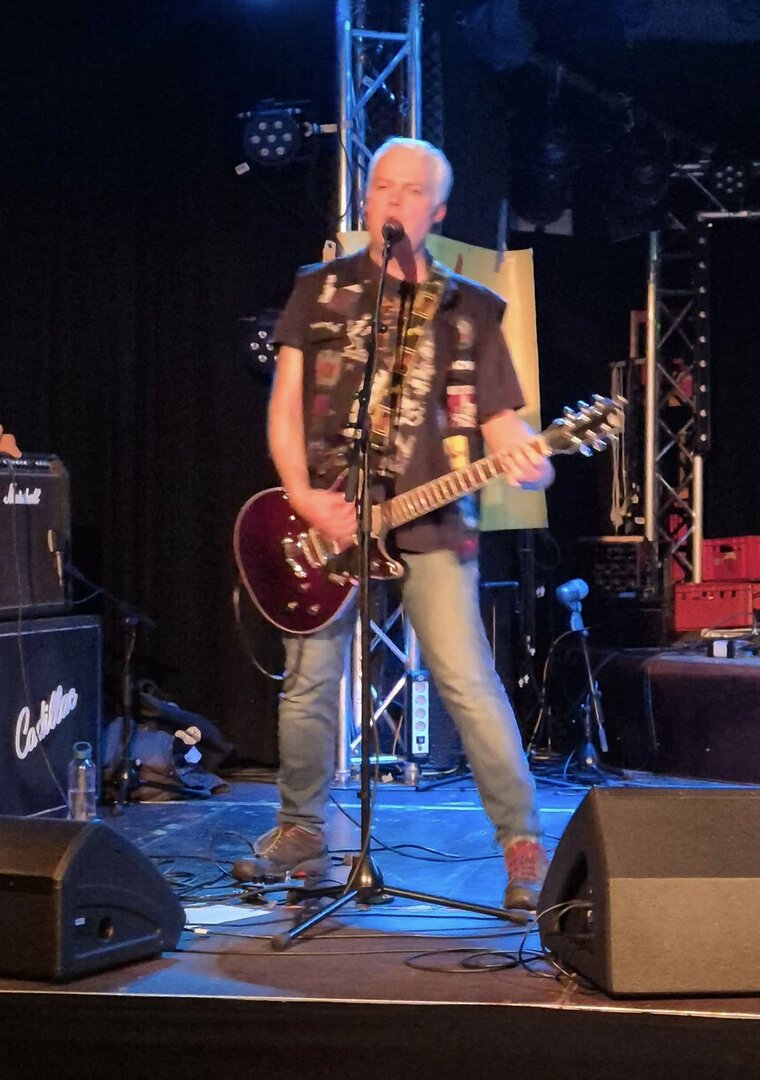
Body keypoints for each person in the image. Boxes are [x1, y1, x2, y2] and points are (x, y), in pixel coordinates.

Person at [250, 137, 553, 910]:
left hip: (433, 519)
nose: (393, 200)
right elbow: (285, 408)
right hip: (329, 517)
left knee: (467, 681)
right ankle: (301, 829)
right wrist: (304, 496)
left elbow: (501, 423)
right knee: (309, 681)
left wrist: (531, 459)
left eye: (413, 191)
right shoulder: (319, 290)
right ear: (366, 198)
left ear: (438, 212)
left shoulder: (469, 309)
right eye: (383, 186)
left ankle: (522, 843)